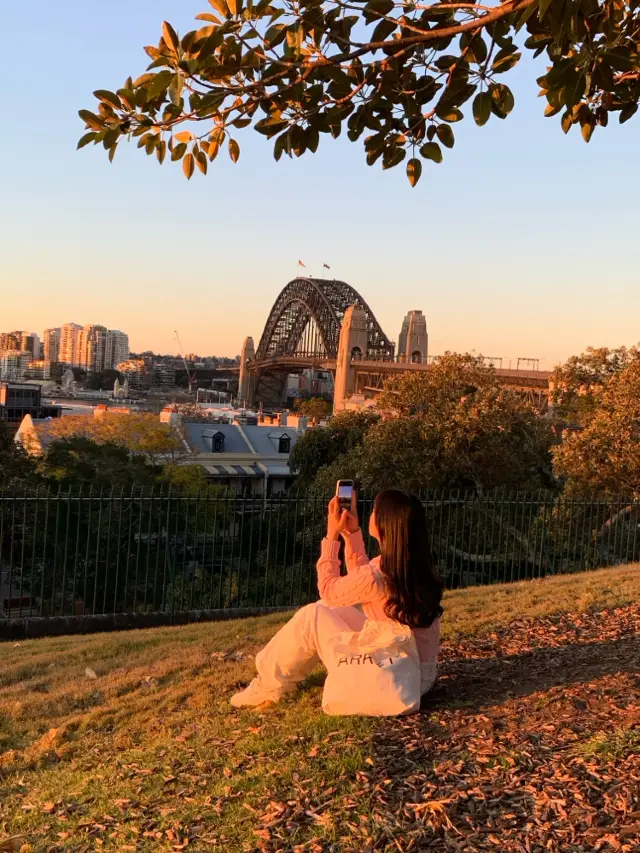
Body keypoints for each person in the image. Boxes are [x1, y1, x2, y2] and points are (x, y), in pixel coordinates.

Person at [230, 488, 444, 710]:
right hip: (417, 675)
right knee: (324, 609)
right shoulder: (415, 565)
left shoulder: (379, 573)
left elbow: (329, 590)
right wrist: (351, 534)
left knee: (312, 615)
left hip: (391, 676)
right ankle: (275, 680)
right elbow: (360, 583)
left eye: (373, 511)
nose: (369, 514)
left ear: (383, 524)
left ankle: (267, 686)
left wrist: (331, 536)